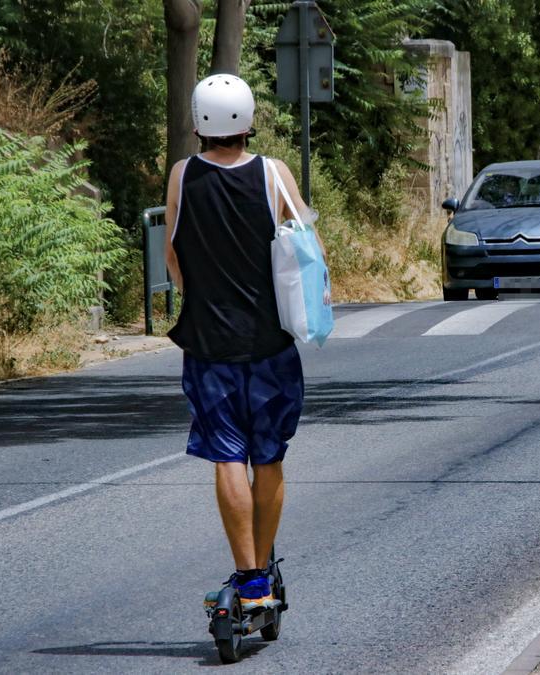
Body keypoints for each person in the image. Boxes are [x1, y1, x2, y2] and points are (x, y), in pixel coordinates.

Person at [164, 73, 312, 611]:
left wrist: (199, 296)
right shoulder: (274, 175)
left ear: (199, 122)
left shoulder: (182, 176)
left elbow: (174, 256)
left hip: (207, 346)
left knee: (228, 457)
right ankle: (264, 577)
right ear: (249, 120)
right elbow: (306, 249)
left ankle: (249, 579)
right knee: (268, 457)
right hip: (270, 344)